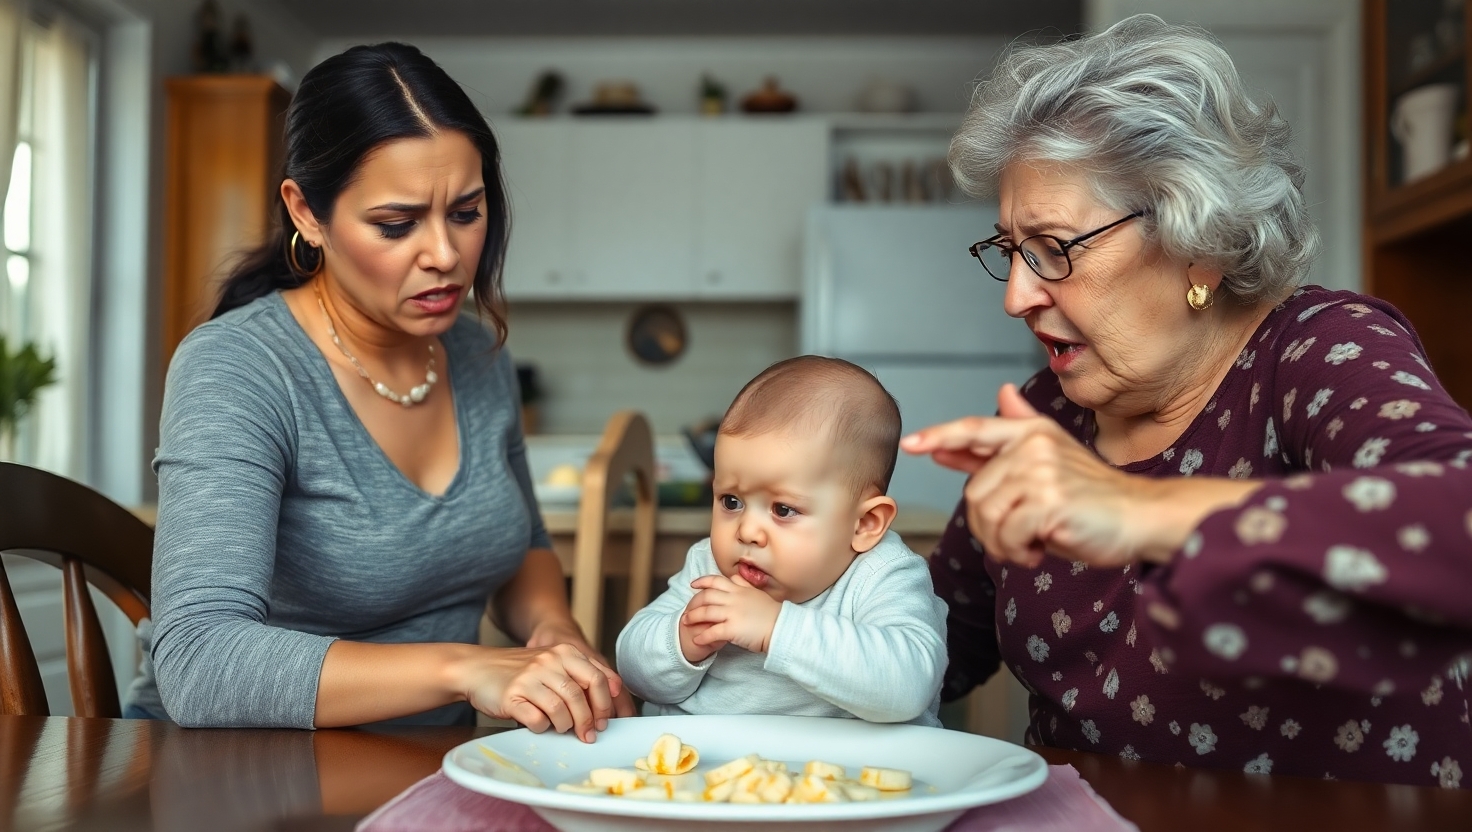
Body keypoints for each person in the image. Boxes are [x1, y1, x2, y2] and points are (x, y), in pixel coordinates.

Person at [901, 14, 1472, 788]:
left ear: (1195, 238)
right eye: (1010, 250)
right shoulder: (1046, 410)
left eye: (1054, 249)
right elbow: (932, 652)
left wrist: (1138, 512)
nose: (1017, 297)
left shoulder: (1311, 349)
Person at [125, 43, 633, 738]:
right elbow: (199, 659)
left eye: (466, 211)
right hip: (240, 774)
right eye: (396, 224)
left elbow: (523, 541)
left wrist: (554, 631)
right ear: (306, 212)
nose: (446, 257)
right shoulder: (239, 367)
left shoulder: (474, 352)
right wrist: (466, 668)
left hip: (421, 761)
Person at [616, 356, 948, 726]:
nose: (746, 532)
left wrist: (777, 628)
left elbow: (909, 686)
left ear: (864, 524)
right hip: (707, 769)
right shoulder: (710, 566)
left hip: (844, 775)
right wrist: (682, 640)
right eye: (731, 502)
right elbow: (633, 668)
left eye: (783, 510)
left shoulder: (882, 575)